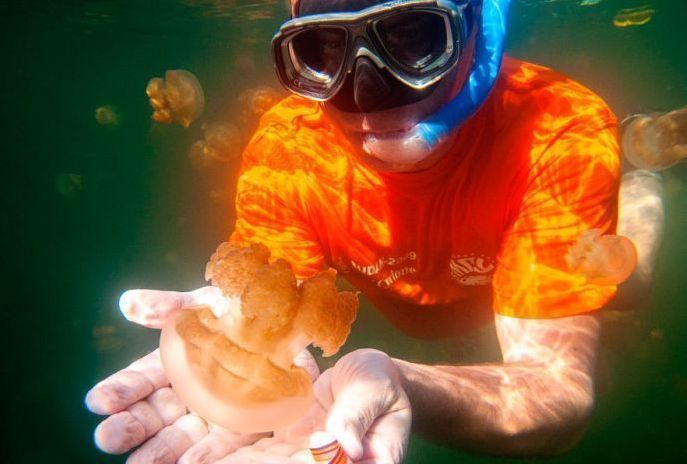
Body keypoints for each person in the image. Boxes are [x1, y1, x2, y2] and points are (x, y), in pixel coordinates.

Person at [85, 0, 665, 462]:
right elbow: (265, 304)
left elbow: (554, 387)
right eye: (322, 50)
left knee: (627, 289)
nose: (364, 94)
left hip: (504, 277)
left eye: (415, 37)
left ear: (476, 26)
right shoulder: (289, 147)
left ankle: (638, 191)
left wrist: (413, 386)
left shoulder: (558, 128)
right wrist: (234, 333)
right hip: (412, 304)